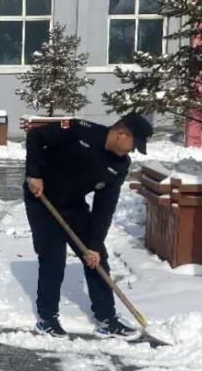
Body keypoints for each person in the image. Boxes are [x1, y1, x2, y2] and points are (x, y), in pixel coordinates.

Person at [23, 113, 153, 338]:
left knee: (96, 257)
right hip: (42, 199)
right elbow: (35, 136)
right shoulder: (79, 130)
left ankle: (107, 319)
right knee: (53, 258)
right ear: (122, 133)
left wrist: (94, 244)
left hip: (73, 206)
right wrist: (34, 174)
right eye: (133, 145)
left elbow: (105, 207)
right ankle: (47, 318)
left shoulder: (119, 165)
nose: (131, 151)